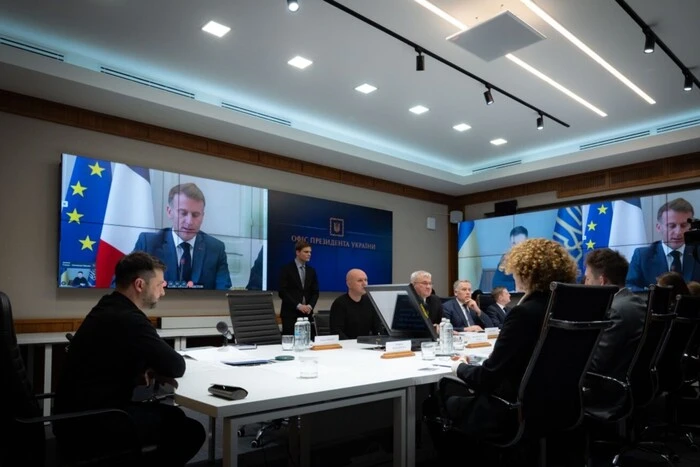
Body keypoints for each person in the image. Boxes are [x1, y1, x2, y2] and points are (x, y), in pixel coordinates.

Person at [53, 252, 205, 465]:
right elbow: (176, 366)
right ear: (140, 284)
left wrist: (141, 370)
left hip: (73, 417)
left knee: (173, 417)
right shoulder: (129, 319)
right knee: (190, 430)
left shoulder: (108, 305)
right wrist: (149, 368)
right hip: (95, 422)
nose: (163, 292)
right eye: (160, 285)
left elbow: (111, 359)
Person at [443, 238, 578, 441]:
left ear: (526, 273)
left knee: (438, 401)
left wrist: (459, 366)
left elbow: (488, 378)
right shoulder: (568, 308)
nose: (512, 275)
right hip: (562, 404)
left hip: (516, 410)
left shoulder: (524, 313)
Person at [133, 183, 231, 290]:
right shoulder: (147, 244)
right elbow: (128, 286)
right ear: (169, 212)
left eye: (195, 215)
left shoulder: (216, 248)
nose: (189, 222)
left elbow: (223, 293)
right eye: (183, 213)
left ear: (203, 216)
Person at [584, 248, 647, 383]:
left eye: (588, 279)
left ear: (602, 280)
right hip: (638, 383)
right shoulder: (637, 302)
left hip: (609, 386)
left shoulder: (614, 311)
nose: (585, 284)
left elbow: (594, 365)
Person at [626, 198, 700, 291]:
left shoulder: (698, 253)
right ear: (659, 227)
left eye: (684, 225)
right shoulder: (642, 256)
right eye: (671, 226)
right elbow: (630, 287)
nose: (678, 232)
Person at [329, 268, 383, 339]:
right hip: (346, 344)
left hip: (365, 343)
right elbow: (336, 332)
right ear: (349, 284)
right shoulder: (339, 303)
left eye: (366, 280)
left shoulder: (370, 301)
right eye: (360, 280)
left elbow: (377, 328)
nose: (364, 284)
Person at [279, 240, 319, 335]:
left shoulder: (311, 271)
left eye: (310, 252)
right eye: (306, 252)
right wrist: (298, 306)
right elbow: (282, 292)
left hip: (307, 314)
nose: (309, 254)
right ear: (297, 252)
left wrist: (310, 306)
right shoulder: (286, 269)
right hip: (290, 314)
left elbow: (315, 292)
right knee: (291, 341)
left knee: (309, 341)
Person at [491, 225, 528, 291]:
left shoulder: (534, 259)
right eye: (514, 243)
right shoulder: (505, 258)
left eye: (520, 243)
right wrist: (517, 285)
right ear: (510, 243)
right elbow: (496, 284)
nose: (517, 247)